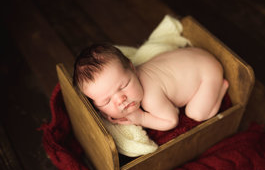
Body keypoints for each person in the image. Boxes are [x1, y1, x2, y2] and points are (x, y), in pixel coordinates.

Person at [73, 43, 229, 131]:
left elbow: (171, 120)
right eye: (106, 101)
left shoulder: (150, 97)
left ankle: (221, 88)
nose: (121, 100)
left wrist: (141, 118)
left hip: (207, 72)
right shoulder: (127, 73)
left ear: (132, 68)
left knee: (196, 113)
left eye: (124, 85)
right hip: (195, 53)